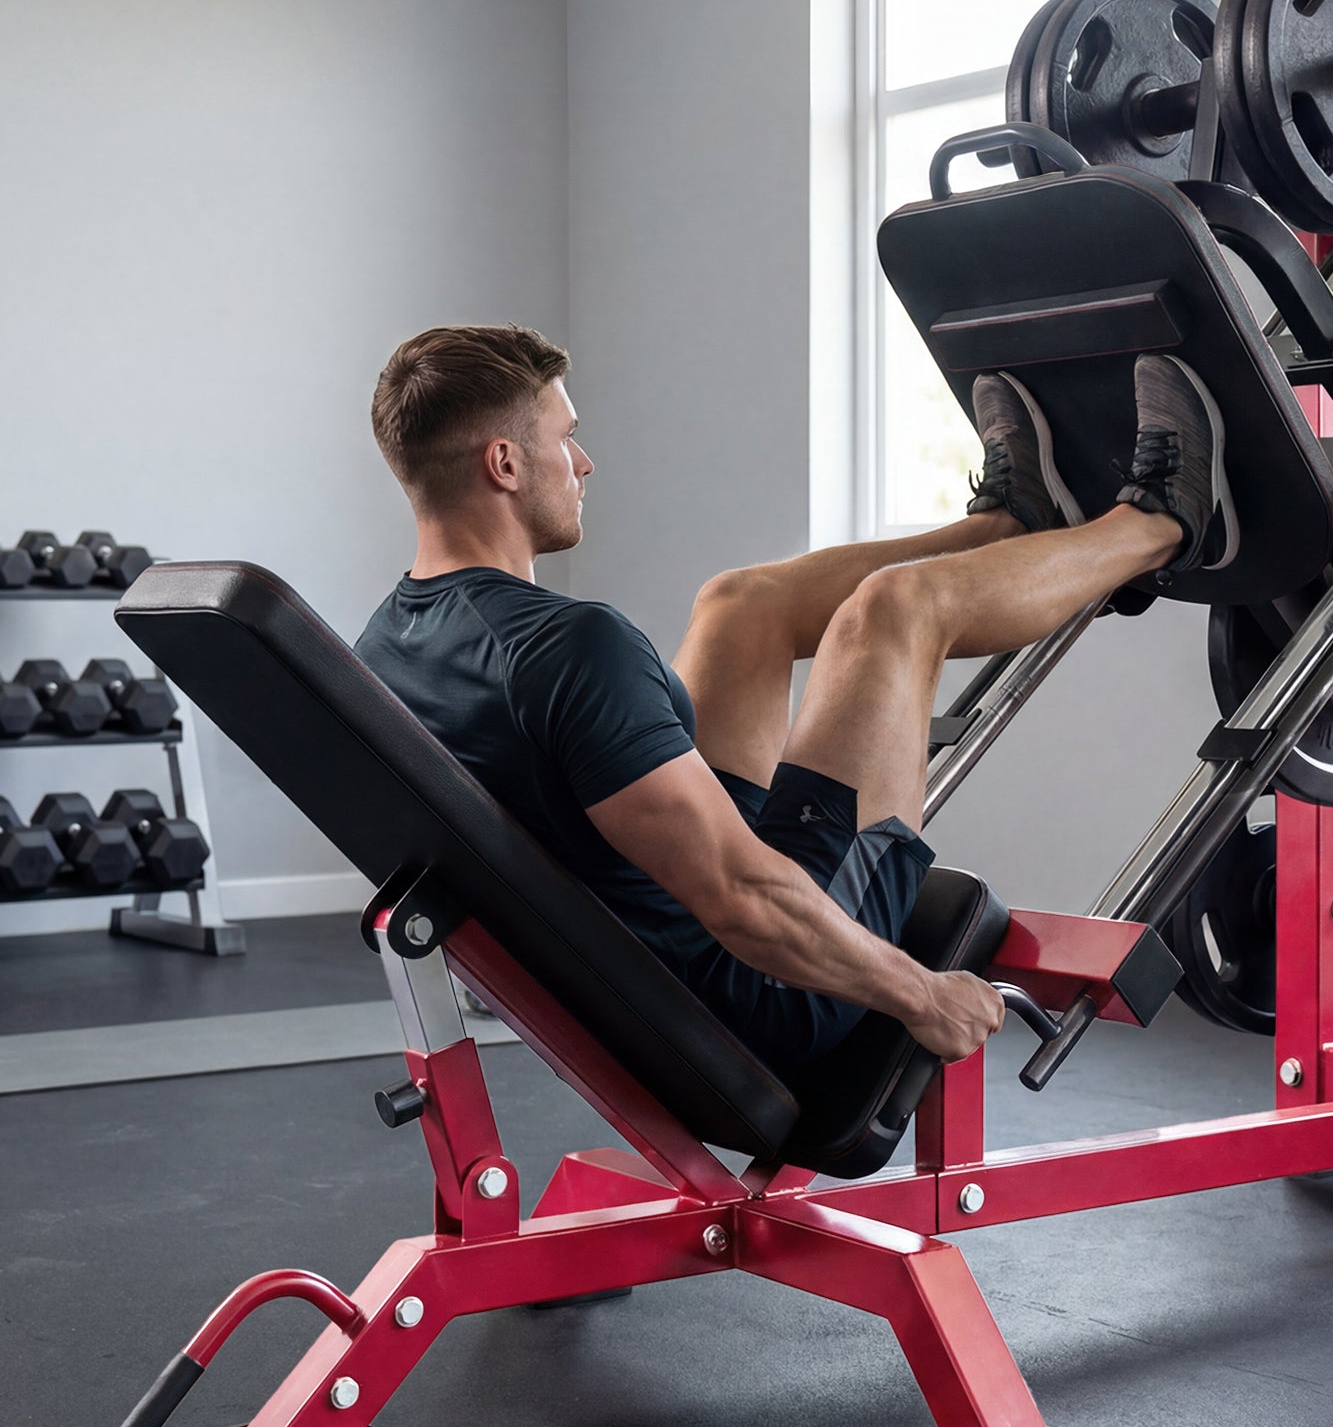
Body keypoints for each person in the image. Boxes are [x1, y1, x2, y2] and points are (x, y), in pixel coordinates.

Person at [355, 323, 1236, 1077]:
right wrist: (924, 994)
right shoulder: (567, 644)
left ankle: (1005, 525)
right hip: (764, 993)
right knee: (900, 608)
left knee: (740, 604)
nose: (584, 462)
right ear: (504, 464)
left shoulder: (387, 647)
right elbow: (742, 897)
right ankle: (1164, 520)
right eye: (563, 438)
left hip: (639, 948)